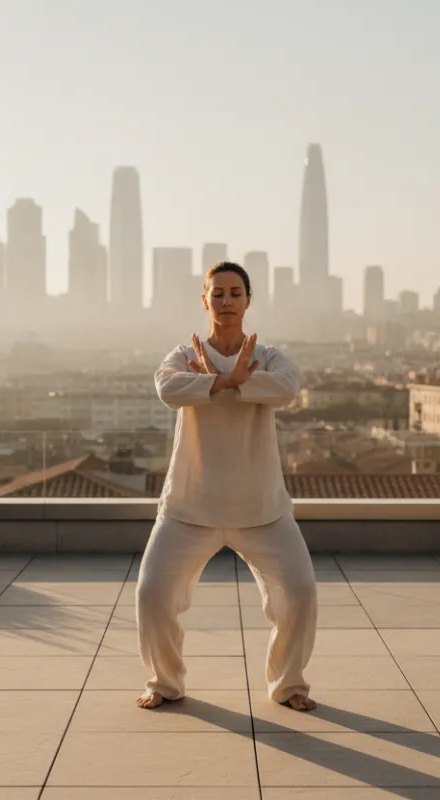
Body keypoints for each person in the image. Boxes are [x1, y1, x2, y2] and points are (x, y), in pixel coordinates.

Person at [135, 261, 318, 712]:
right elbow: (167, 388)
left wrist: (236, 381)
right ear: (205, 300)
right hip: (189, 506)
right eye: (217, 293)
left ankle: (288, 683)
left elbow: (288, 388)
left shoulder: (269, 356)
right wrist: (223, 381)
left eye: (235, 292)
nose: (227, 301)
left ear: (248, 299)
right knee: (153, 594)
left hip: (260, 508)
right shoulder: (182, 354)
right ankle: (165, 682)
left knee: (299, 593)